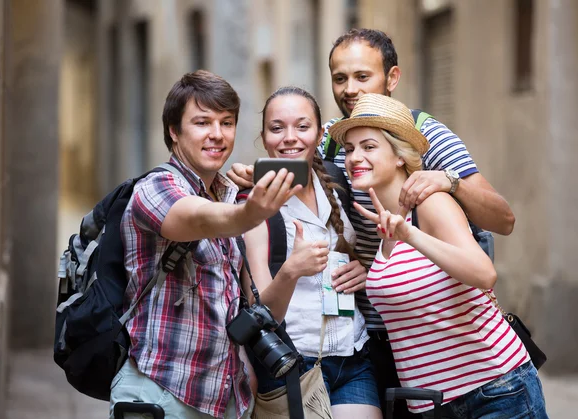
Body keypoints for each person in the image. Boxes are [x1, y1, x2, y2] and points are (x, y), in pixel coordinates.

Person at [227, 28, 516, 415]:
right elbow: (294, 148)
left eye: (363, 76)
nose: (350, 88)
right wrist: (258, 174)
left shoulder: (425, 135)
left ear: (392, 78)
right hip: (368, 331)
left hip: (429, 331)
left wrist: (449, 181)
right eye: (340, 78)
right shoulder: (331, 137)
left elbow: (504, 219)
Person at [327, 92, 548, 418]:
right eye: (349, 149)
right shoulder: (384, 228)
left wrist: (410, 234)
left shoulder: (429, 206)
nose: (354, 157)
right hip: (432, 405)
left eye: (368, 147)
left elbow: (484, 273)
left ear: (400, 155)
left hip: (494, 390)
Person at [110, 70, 303, 419]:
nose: (217, 135)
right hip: (162, 395)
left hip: (227, 401)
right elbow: (199, 218)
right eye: (202, 123)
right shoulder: (154, 189)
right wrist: (250, 213)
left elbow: (255, 310)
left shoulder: (229, 193)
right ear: (174, 130)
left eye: (226, 123)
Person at [241, 86, 382, 418]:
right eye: (277, 128)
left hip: (353, 354)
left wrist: (363, 269)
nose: (290, 137)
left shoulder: (336, 181)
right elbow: (261, 314)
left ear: (319, 133)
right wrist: (292, 270)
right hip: (292, 362)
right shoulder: (252, 207)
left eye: (302, 127)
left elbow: (360, 250)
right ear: (264, 137)